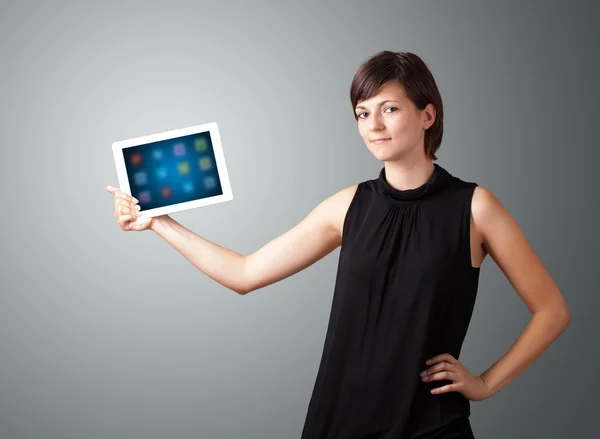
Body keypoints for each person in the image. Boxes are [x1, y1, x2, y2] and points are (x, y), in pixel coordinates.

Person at [106, 51, 571, 438]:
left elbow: (552, 311)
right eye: (362, 114)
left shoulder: (475, 207)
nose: (374, 125)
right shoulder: (348, 206)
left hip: (431, 426)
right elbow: (244, 274)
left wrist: (486, 383)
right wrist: (160, 223)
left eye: (389, 108)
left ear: (427, 114)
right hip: (339, 421)